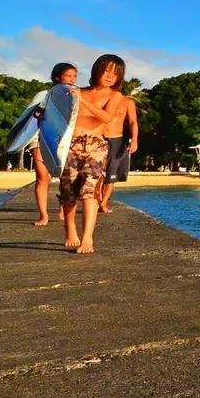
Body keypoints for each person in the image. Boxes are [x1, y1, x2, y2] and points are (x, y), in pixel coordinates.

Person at [61, 54, 127, 254]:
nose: (109, 76)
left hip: (96, 146)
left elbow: (106, 117)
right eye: (106, 71)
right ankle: (70, 228)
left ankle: (87, 237)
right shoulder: (76, 91)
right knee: (68, 192)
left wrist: (84, 102)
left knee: (90, 191)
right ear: (97, 69)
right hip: (70, 145)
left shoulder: (115, 96)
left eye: (115, 74)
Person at [30, 63, 78, 226]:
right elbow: (32, 117)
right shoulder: (44, 95)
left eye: (74, 76)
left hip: (66, 139)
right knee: (42, 177)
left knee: (65, 178)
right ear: (57, 76)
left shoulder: (77, 95)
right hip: (40, 135)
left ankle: (62, 209)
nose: (72, 79)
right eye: (69, 75)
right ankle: (43, 215)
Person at [96, 76, 139, 214]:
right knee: (96, 174)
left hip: (117, 140)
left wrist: (135, 140)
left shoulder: (127, 102)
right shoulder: (99, 98)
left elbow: (133, 122)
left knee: (111, 175)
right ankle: (97, 200)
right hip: (98, 138)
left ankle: (103, 203)